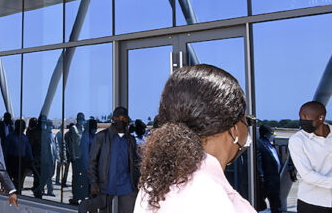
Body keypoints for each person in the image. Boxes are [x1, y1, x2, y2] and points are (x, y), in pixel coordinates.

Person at [133, 64, 255, 213]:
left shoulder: (152, 188)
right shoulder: (212, 196)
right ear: (234, 128)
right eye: (247, 120)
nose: (247, 128)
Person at [89, 106, 140, 213]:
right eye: (119, 118)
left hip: (127, 186)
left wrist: (137, 182)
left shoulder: (131, 140)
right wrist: (94, 183)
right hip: (105, 186)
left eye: (124, 119)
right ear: (113, 119)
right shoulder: (101, 137)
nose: (122, 121)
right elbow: (92, 162)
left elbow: (135, 163)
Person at [288, 101, 332, 213]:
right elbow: (307, 175)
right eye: (301, 116)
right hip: (311, 202)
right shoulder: (297, 140)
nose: (302, 120)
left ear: (321, 118)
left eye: (306, 117)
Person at [257, 124, 282, 213]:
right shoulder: (259, 144)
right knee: (260, 204)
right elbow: (258, 162)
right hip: (266, 181)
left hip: (275, 180)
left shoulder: (271, 145)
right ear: (265, 134)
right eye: (271, 134)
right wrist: (261, 176)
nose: (272, 137)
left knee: (276, 204)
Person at [4, 119, 34, 193]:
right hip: (11, 160)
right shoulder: (10, 137)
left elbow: (28, 150)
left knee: (19, 180)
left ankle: (18, 192)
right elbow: (5, 149)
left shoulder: (24, 138)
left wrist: (31, 160)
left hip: (21, 161)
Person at [67, 112, 90, 205]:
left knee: (83, 177)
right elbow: (72, 143)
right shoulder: (74, 129)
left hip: (83, 157)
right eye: (80, 118)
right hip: (76, 157)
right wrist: (72, 156)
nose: (81, 120)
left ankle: (82, 195)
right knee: (76, 178)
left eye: (82, 119)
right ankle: (75, 196)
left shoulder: (84, 129)